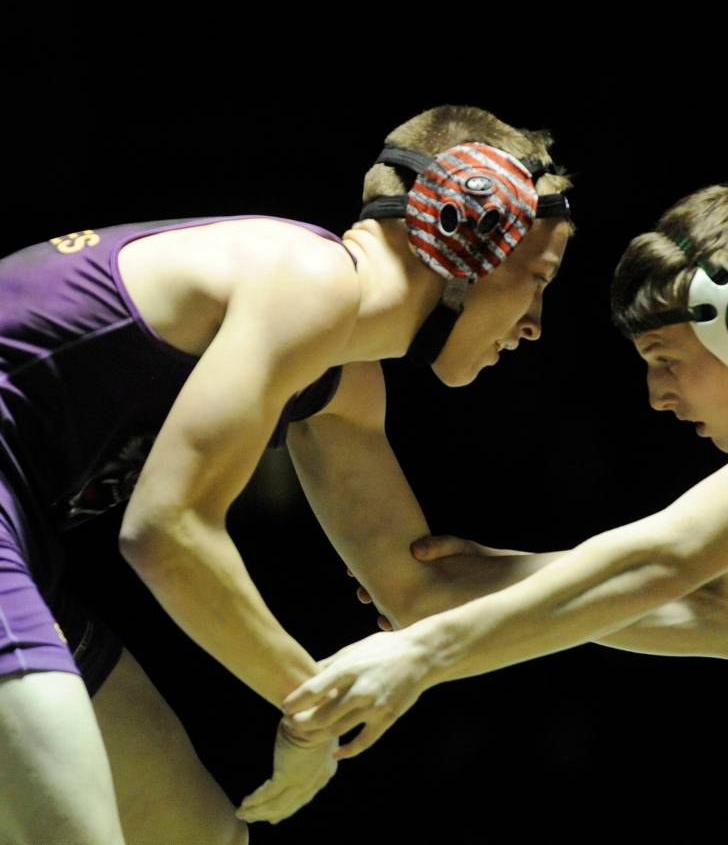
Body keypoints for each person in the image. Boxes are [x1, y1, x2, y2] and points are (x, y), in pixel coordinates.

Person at [282, 180, 728, 809]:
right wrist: (486, 582)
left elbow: (672, 553)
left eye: (665, 359)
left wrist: (423, 652)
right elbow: (722, 615)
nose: (656, 395)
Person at [0, 104, 572, 843]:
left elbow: (419, 592)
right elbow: (166, 533)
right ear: (466, 226)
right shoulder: (309, 279)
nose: (535, 323)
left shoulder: (344, 379)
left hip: (21, 555)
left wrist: (668, 573)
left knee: (202, 834)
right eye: (539, 278)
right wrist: (313, 712)